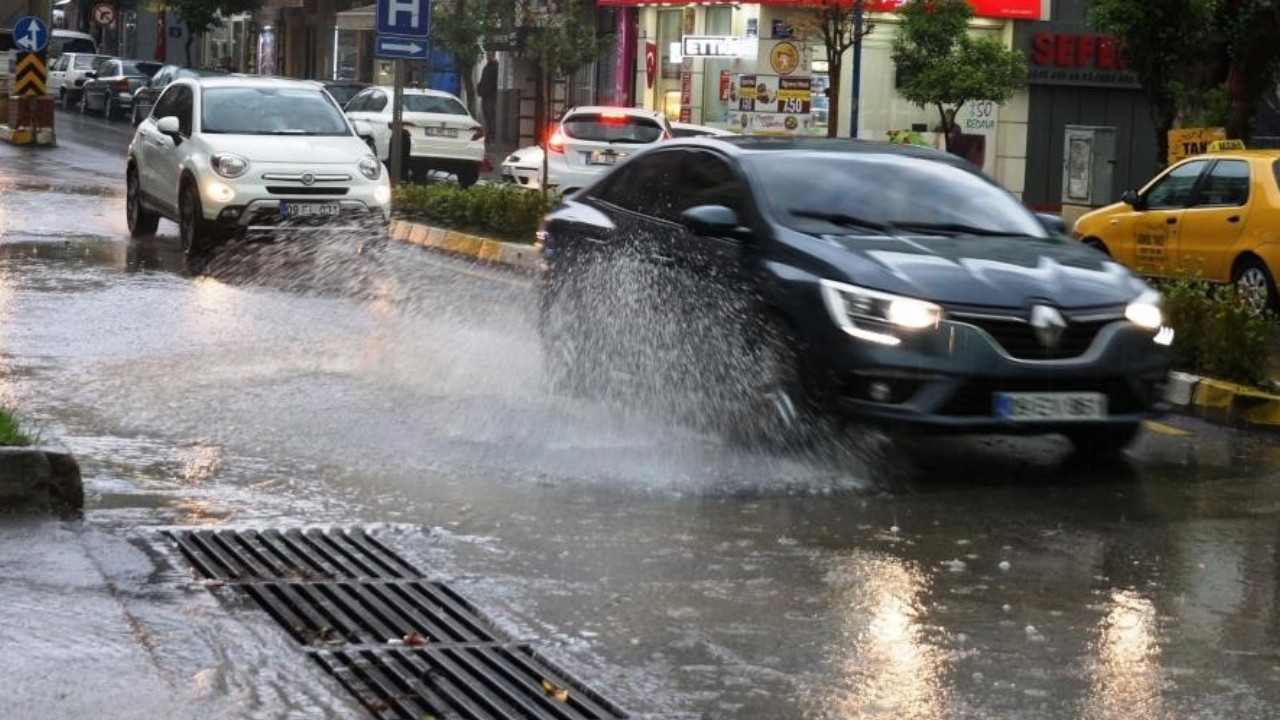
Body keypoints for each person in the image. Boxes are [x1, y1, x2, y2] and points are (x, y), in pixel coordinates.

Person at [477, 52, 499, 145]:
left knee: (490, 116)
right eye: (487, 55)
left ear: (493, 55)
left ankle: (492, 136)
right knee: (486, 115)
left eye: (489, 55)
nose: (487, 57)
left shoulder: (496, 67)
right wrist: (479, 89)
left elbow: (494, 82)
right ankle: (488, 135)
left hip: (491, 95)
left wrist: (487, 89)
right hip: (485, 95)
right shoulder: (486, 67)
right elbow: (482, 80)